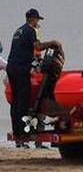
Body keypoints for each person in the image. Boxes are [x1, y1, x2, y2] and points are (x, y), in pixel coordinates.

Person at [7, 8, 62, 148]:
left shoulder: (18, 31)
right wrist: (53, 42)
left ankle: (17, 133)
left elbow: (24, 50)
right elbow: (38, 46)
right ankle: (22, 136)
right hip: (20, 69)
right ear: (32, 19)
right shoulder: (30, 30)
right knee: (22, 101)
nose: (38, 22)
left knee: (16, 101)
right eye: (37, 19)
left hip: (12, 67)